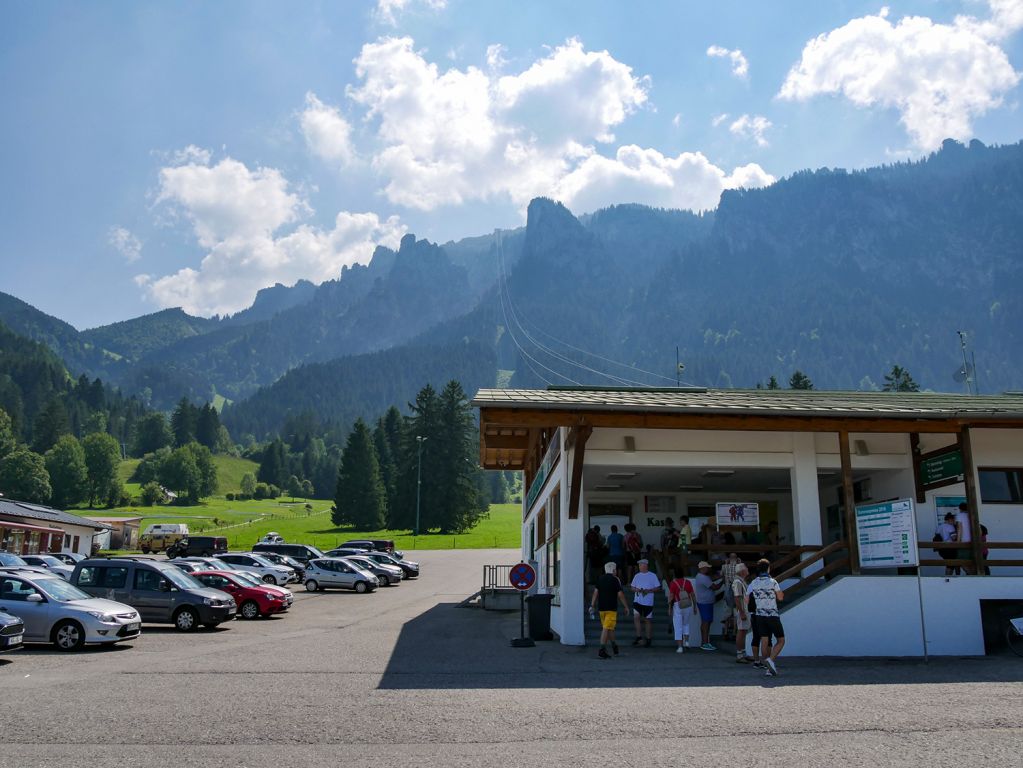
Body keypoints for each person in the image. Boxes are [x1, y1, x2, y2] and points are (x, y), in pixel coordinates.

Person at [749, 558, 785, 676]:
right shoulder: (773, 582)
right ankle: (771, 660)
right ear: (768, 568)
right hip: (772, 614)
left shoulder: (753, 582)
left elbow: (746, 599)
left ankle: (767, 667)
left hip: (759, 615)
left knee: (764, 640)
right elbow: (780, 598)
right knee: (781, 640)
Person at [590, 561, 629, 659]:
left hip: (601, 608)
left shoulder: (600, 579)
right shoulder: (615, 580)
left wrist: (592, 605)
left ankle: (615, 647)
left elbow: (595, 593)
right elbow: (620, 594)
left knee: (609, 628)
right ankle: (602, 650)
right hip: (611, 609)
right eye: (615, 570)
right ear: (613, 570)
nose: (616, 571)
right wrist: (626, 606)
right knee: (606, 628)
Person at [630, 558, 660, 647]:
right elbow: (632, 587)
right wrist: (636, 589)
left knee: (647, 620)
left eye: (641, 565)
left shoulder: (652, 575)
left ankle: (648, 639)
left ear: (645, 565)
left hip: (648, 602)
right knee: (636, 617)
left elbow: (658, 587)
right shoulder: (637, 576)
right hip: (637, 600)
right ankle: (639, 637)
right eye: (639, 565)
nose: (639, 566)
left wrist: (650, 590)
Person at [667, 567, 697, 653]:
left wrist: (669, 608)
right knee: (686, 624)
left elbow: (671, 596)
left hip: (678, 605)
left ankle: (680, 647)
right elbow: (693, 595)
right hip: (688, 605)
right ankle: (687, 642)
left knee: (678, 626)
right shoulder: (687, 582)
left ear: (675, 574)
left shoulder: (673, 583)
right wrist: (695, 606)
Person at [694, 560, 722, 651]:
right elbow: (715, 587)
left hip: (704, 602)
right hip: (705, 603)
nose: (708, 569)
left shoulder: (701, 576)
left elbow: (711, 579)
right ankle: (705, 643)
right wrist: (723, 581)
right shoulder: (703, 578)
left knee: (706, 622)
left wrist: (720, 577)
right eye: (707, 567)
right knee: (706, 623)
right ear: (702, 568)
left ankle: (705, 642)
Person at [732, 562, 753, 663]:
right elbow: (737, 597)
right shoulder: (738, 582)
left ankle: (743, 653)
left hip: (745, 609)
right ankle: (740, 655)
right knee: (741, 631)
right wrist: (741, 612)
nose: (747, 570)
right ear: (742, 571)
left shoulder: (741, 581)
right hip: (743, 610)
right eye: (746, 568)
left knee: (743, 631)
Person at [954, 503, 975, 575]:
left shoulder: (960, 515)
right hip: (973, 541)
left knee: (961, 561)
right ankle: (974, 577)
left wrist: (958, 541)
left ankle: (971, 575)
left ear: (960, 509)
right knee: (971, 562)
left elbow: (959, 528)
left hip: (964, 541)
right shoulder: (972, 515)